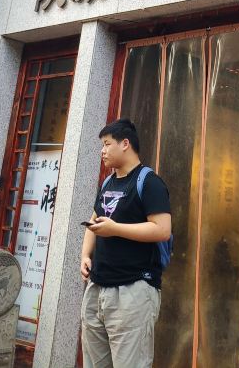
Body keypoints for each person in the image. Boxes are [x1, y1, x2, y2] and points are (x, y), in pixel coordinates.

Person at [80, 118, 171, 368]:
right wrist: (85, 255)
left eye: (107, 144)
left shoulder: (149, 182)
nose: (102, 150)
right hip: (97, 287)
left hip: (133, 291)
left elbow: (162, 229)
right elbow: (94, 220)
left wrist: (115, 229)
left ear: (125, 144)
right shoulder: (108, 182)